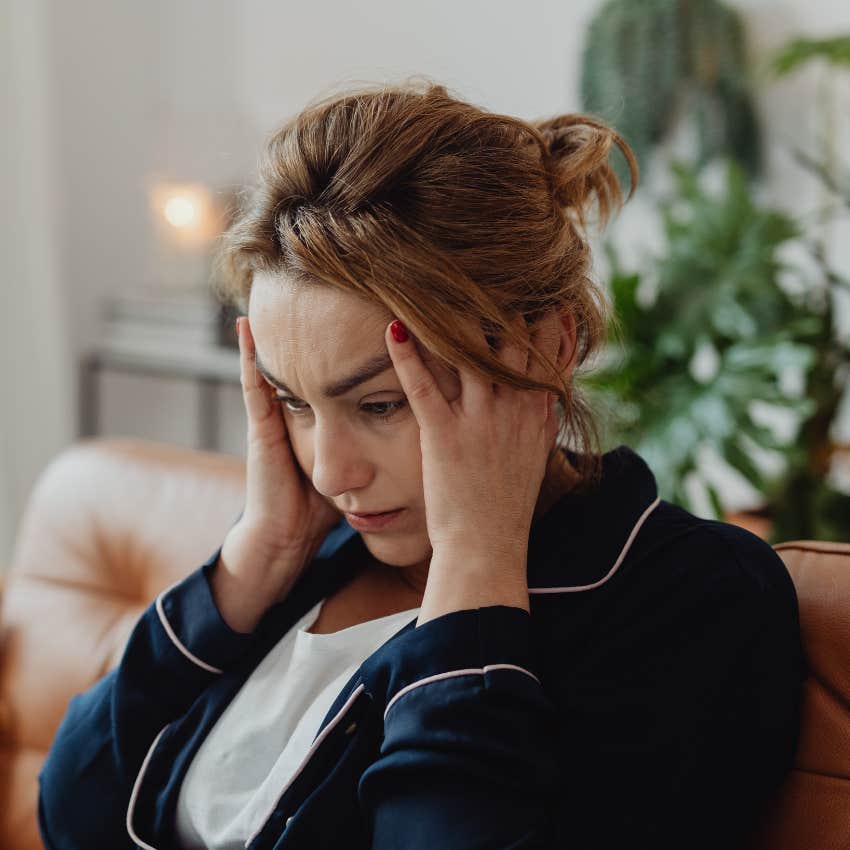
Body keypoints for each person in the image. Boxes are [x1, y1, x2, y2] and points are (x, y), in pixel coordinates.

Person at [37, 79, 804, 850]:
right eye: (294, 402)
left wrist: (478, 566)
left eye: (379, 405)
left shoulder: (690, 599)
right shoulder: (312, 558)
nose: (332, 473)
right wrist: (252, 560)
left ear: (550, 347)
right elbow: (70, 812)